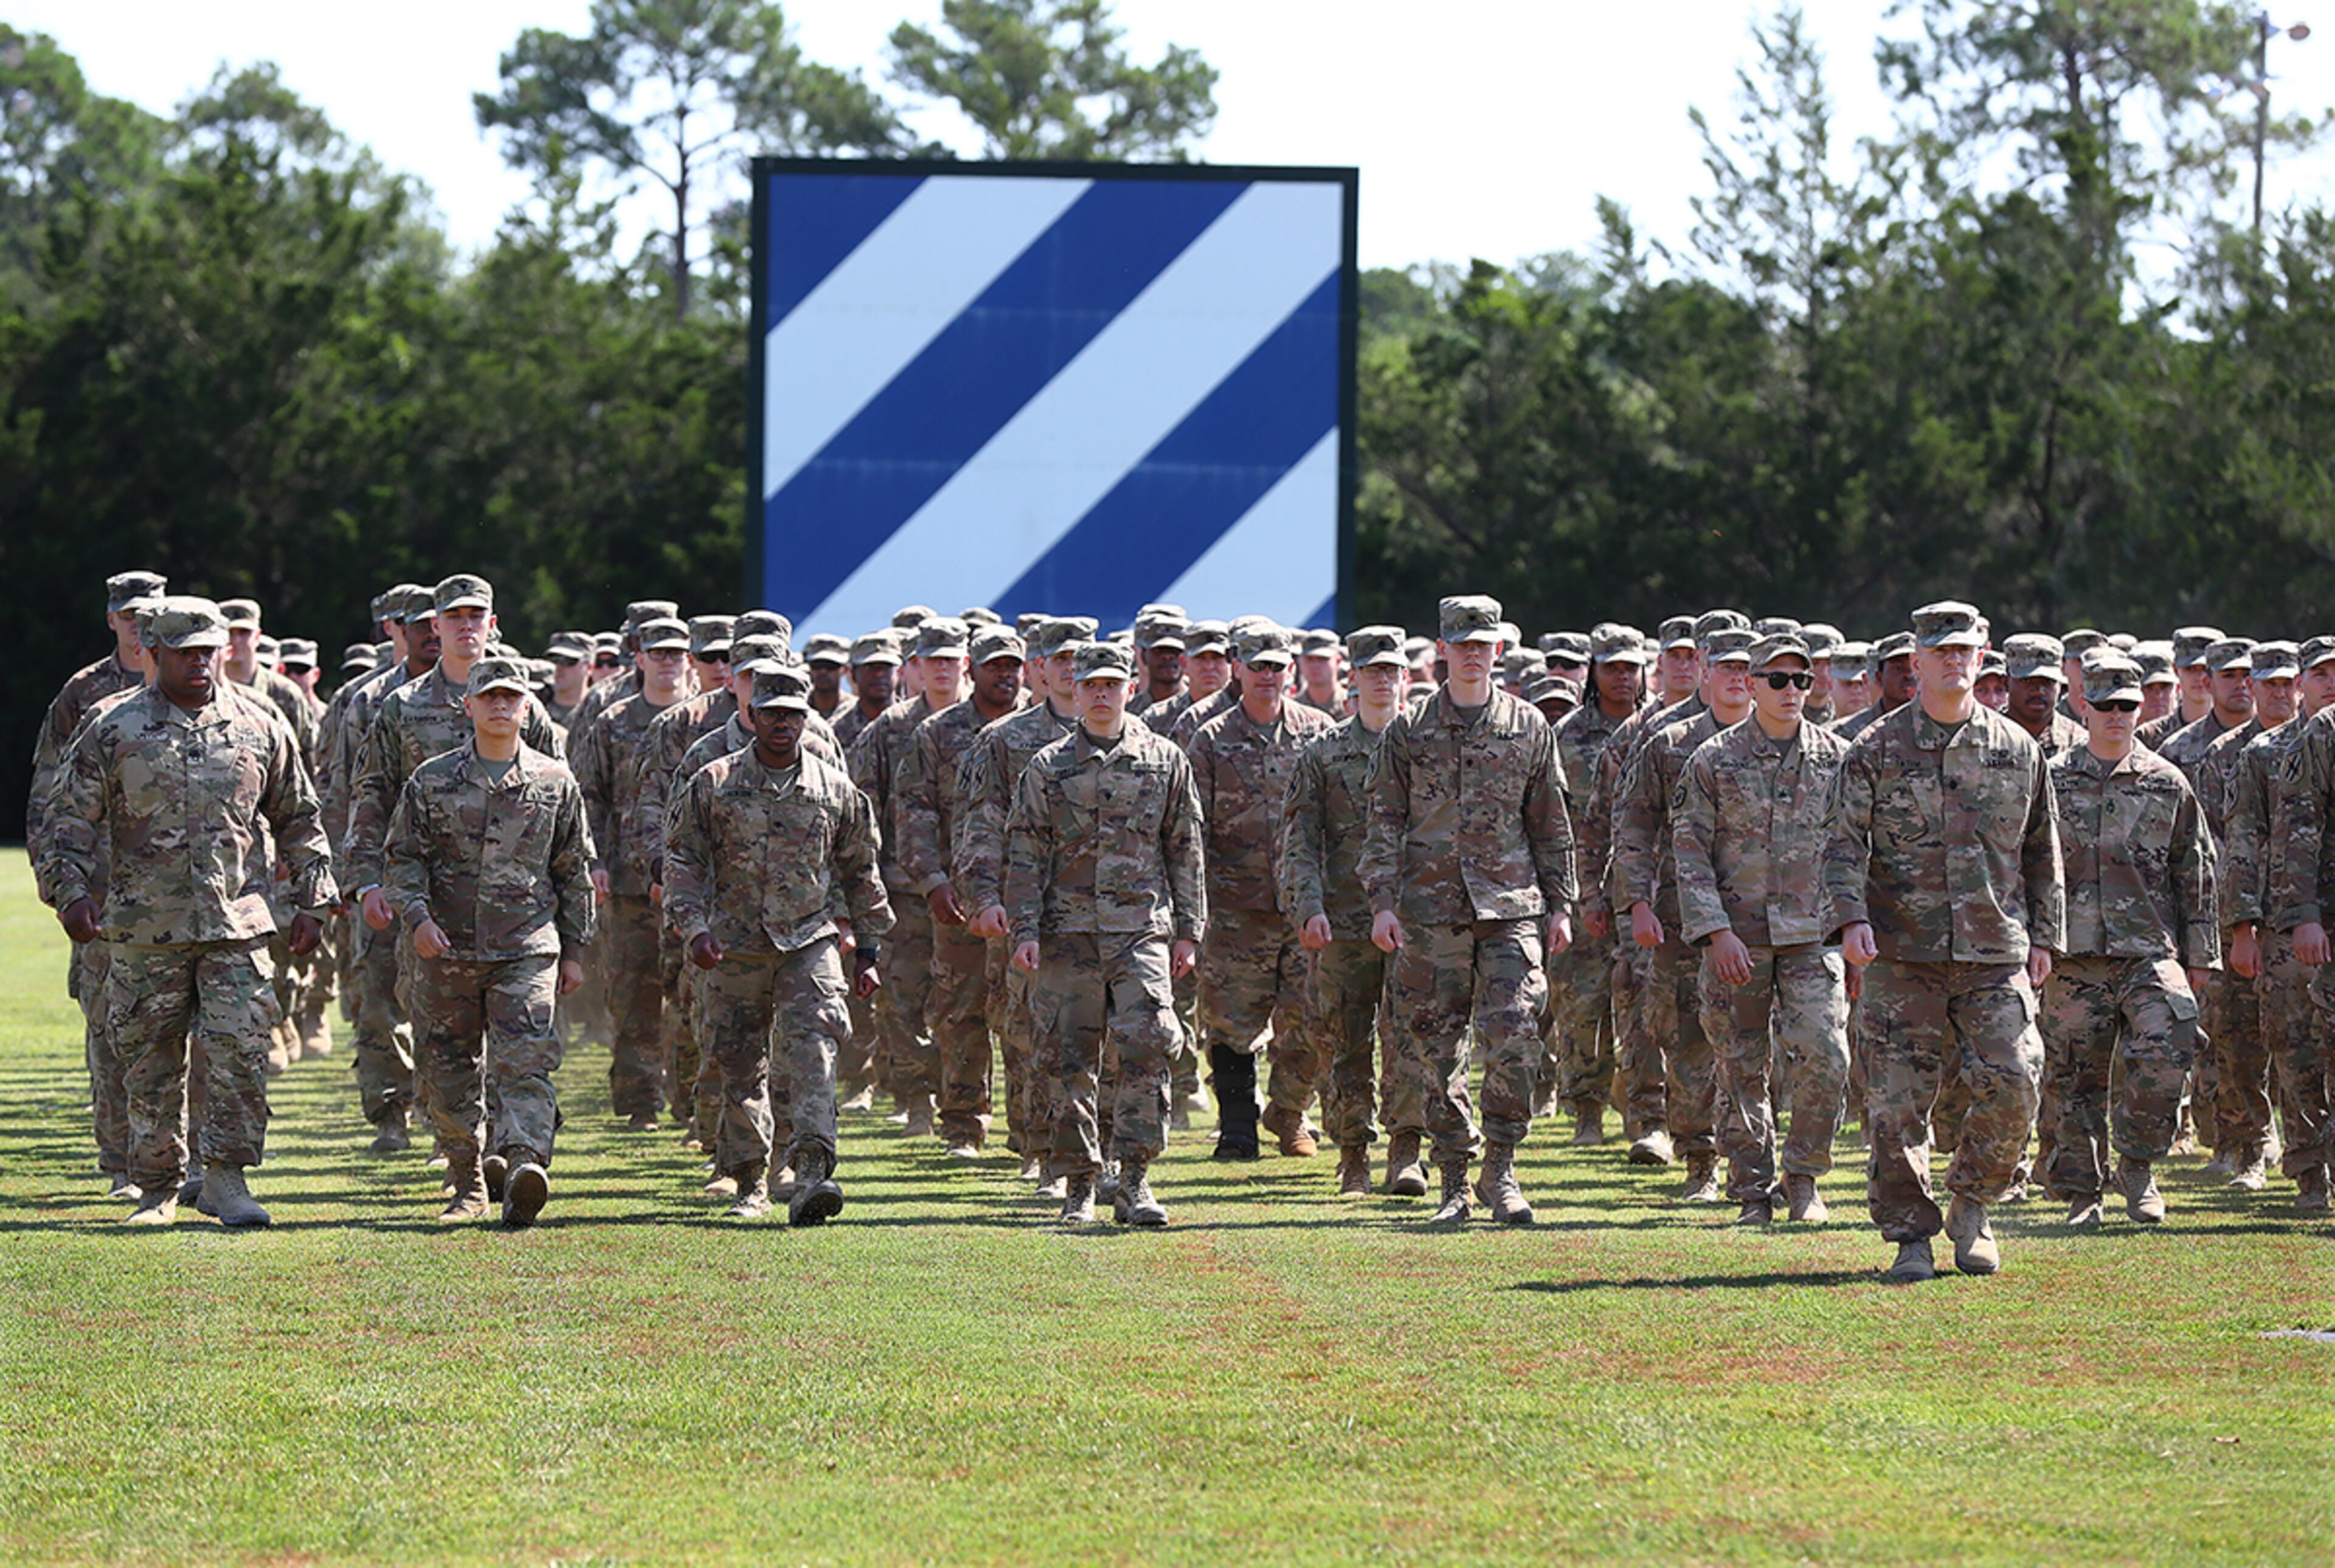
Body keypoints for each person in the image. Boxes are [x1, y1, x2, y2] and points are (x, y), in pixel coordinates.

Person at [41, 596, 336, 1227]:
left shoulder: (260, 724)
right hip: (146, 928)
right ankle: (156, 1189)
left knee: (240, 1053)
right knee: (149, 1062)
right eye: (186, 653)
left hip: (237, 926)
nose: (201, 663)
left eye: (210, 650)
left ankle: (226, 1180)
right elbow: (66, 821)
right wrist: (69, 893)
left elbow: (301, 818)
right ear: (154, 653)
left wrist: (314, 899)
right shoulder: (111, 725)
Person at [1825, 601, 2064, 1281]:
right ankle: (1910, 1234)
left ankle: (1972, 1203)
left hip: (1995, 949)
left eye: (1966, 650)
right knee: (1897, 1101)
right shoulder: (1875, 749)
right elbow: (1842, 844)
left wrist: (2047, 934)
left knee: (2016, 1079)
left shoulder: (2017, 748)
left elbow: (2044, 851)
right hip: (1904, 951)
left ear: (1983, 655)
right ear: (1918, 660)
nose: (1955, 661)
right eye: (1941, 651)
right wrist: (1851, 919)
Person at [1359, 594, 1577, 1225]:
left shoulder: (1529, 726)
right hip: (1430, 909)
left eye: (1484, 644)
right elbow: (1383, 823)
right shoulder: (1408, 730)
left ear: (1499, 650)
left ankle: (1500, 1168)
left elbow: (1551, 825)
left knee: (1515, 1029)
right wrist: (1381, 902)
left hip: (1511, 905)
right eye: (1463, 644)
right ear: (1443, 649)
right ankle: (1453, 1173)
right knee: (1434, 1048)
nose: (1474, 654)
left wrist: (1562, 903)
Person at [666, 664, 891, 1224]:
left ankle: (812, 1170)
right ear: (752, 716)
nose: (783, 724)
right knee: (739, 1060)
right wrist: (693, 927)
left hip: (808, 939)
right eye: (772, 714)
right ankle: (748, 1180)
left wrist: (868, 951)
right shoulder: (714, 783)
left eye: (793, 714)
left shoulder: (835, 790)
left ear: (807, 718)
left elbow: (861, 869)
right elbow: (684, 860)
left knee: (814, 1048)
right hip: (733, 942)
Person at [382, 655, 595, 1226]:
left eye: (511, 698)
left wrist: (574, 952)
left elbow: (573, 871)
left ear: (528, 708)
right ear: (468, 706)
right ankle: (467, 1178)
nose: (501, 706)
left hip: (526, 948)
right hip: (445, 951)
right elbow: (403, 860)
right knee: (446, 1069)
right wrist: (418, 917)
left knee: (525, 1063)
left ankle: (526, 1163)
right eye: (490, 697)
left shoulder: (555, 781)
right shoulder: (430, 780)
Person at [1006, 640, 1206, 1226]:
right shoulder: (1048, 767)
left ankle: (1136, 1178)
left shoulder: (1165, 759)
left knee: (1147, 1042)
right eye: (1089, 684)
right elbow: (1024, 854)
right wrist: (1023, 928)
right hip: (1066, 933)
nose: (1099, 694)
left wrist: (1190, 930)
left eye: (1110, 684)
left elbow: (1185, 848)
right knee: (1067, 1060)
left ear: (1129, 686)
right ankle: (1079, 1183)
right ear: (1073, 689)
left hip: (1141, 929)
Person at [1671, 633, 1853, 1225]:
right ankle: (1751, 1188)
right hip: (1737, 938)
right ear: (1751, 685)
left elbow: (1856, 846)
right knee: (1740, 1065)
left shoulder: (1837, 758)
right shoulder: (1712, 760)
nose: (1793, 690)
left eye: (1802, 679)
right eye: (1778, 679)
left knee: (1825, 1054)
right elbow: (1690, 848)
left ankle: (1802, 1177)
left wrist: (1854, 924)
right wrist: (1714, 929)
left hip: (1813, 935)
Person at [2042, 652, 2217, 1227]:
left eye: (2127, 705)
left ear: (2141, 709)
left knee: (2172, 1038)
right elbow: (2029, 863)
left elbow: (2194, 872)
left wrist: (2199, 958)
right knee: (2073, 1075)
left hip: (2148, 950)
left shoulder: (2167, 782)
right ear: (2084, 707)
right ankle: (2081, 1191)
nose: (2116, 715)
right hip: (2075, 955)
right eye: (2105, 705)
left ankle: (2137, 1164)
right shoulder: (2051, 778)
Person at [1612, 625, 1762, 1202]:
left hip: (1759, 916)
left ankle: (1755, 1161)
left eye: (1745, 668)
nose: (1735, 678)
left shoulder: (1778, 736)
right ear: (1703, 669)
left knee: (1755, 1042)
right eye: (1724, 667)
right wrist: (1638, 904)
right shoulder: (1669, 743)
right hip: (1679, 918)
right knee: (1688, 1039)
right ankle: (1700, 1159)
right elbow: (1633, 825)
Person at [1281, 626, 1417, 1194]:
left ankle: (1406, 1151)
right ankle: (1355, 1153)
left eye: (1392, 670)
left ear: (1405, 678)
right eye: (1372, 670)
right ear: (1351, 677)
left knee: (1413, 1038)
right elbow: (1300, 839)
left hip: (1418, 918)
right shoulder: (1324, 751)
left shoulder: (1426, 746)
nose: (1383, 679)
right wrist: (1307, 906)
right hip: (1343, 918)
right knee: (1346, 1040)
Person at [959, 618, 1093, 1188]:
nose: (1068, 668)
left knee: (1094, 1033)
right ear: (1035, 668)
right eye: (1056, 658)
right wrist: (985, 897)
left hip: (1103, 913)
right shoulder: (1004, 741)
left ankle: (1087, 1147)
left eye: (1077, 658)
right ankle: (1038, 1147)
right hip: (1027, 910)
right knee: (1027, 1032)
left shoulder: (1120, 736)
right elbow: (981, 828)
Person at [897, 623, 1028, 1158]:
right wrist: (932, 881)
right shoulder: (937, 732)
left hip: (1025, 898)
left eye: (1012, 666)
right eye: (994, 665)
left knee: (1028, 1016)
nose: (1004, 674)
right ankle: (964, 1125)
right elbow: (914, 814)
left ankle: (1030, 1131)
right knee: (960, 1012)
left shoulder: (1043, 730)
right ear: (972, 667)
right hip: (959, 897)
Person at [2227, 637, 2335, 1215]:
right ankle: (2309, 1169)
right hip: (2287, 925)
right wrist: (2244, 927)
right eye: (2320, 673)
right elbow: (2245, 843)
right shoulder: (2265, 754)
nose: (2330, 682)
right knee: (2296, 1051)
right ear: (2300, 682)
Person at [850, 616, 970, 1134]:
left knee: (963, 1001)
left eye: (951, 659)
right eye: (932, 659)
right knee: (902, 998)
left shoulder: (999, 722)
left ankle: (962, 1100)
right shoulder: (891, 729)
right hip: (904, 887)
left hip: (974, 888)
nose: (941, 669)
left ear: (965, 662)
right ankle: (917, 1095)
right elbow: (864, 812)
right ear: (914, 665)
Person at [572, 614, 693, 1130]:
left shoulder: (706, 720)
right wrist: (593, 860)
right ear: (639, 658)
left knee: (694, 997)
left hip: (695, 884)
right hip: (628, 883)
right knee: (633, 995)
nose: (667, 662)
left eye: (676, 653)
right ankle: (641, 1102)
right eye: (657, 653)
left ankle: (694, 1103)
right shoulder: (612, 720)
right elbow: (587, 797)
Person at [1546, 625, 1650, 1148]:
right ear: (1592, 670)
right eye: (1612, 667)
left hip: (1643, 890)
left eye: (1631, 667)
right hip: (1582, 885)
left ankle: (1641, 1108)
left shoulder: (1658, 728)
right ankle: (1586, 1107)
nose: (1623, 677)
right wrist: (1571, 896)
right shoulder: (1566, 734)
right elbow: (1555, 820)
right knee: (1582, 1003)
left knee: (1642, 1001)